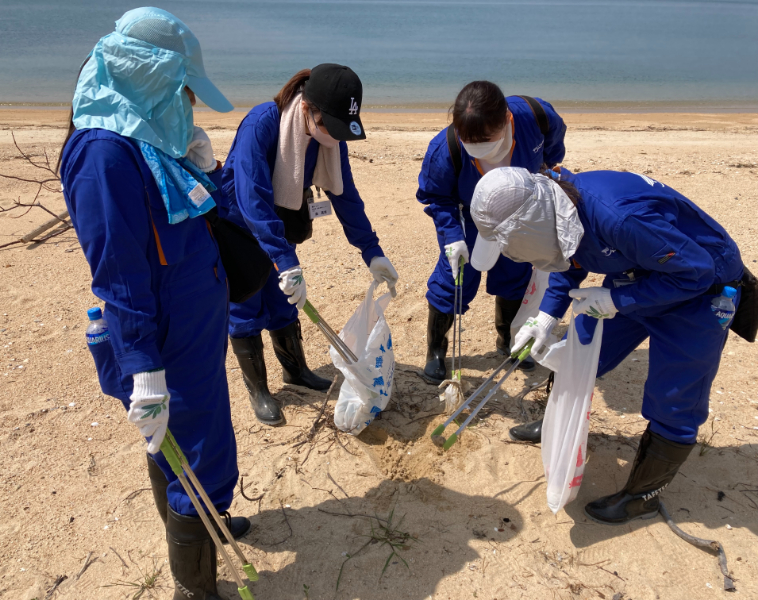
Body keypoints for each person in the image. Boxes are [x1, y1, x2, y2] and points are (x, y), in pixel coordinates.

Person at [59, 8, 248, 598]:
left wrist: (207, 170)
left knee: (185, 445)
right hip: (164, 337)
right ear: (150, 79)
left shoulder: (148, 139)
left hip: (194, 326)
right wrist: (142, 368)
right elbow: (118, 271)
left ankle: (201, 521)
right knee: (199, 451)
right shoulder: (104, 155)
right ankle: (194, 584)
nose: (187, 102)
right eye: (182, 89)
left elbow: (192, 220)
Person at [470, 166, 744, 525]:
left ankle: (641, 496)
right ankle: (556, 422)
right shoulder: (558, 205)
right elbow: (566, 255)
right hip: (636, 272)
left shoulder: (620, 219)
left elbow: (697, 272)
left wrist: (617, 300)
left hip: (699, 292)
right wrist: (546, 317)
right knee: (577, 349)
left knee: (675, 396)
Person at [219, 64, 399, 426]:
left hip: (281, 222)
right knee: (247, 305)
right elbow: (251, 197)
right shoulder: (263, 124)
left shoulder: (328, 136)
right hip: (239, 223)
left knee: (283, 300)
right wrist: (284, 260)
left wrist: (372, 250)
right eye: (328, 126)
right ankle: (259, 390)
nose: (333, 137)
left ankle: (295, 370)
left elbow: (345, 195)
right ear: (307, 109)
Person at [416, 81, 567, 382]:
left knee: (516, 275)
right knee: (454, 280)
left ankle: (507, 340)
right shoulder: (444, 148)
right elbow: (435, 196)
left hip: (520, 212)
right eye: (470, 141)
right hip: (469, 217)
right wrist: (452, 236)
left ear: (506, 120)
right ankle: (436, 350)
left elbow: (555, 135)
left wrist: (548, 162)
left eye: (486, 139)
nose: (479, 147)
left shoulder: (533, 115)